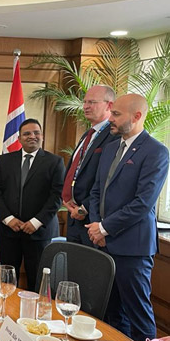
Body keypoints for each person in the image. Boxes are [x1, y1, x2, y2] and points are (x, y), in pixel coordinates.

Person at [87, 93, 169, 341]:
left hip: (132, 247)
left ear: (136, 116)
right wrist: (95, 227)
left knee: (137, 314)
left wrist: (104, 227)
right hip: (103, 243)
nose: (110, 118)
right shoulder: (110, 148)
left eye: (116, 114)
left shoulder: (156, 152)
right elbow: (96, 191)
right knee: (110, 313)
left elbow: (142, 203)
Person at [0, 119, 65, 291]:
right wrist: (8, 219)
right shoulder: (4, 160)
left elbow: (57, 196)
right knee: (7, 282)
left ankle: (34, 318)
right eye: (27, 133)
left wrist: (36, 222)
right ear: (19, 138)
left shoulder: (55, 162)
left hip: (40, 233)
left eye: (36, 133)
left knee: (38, 283)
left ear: (42, 136)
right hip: (9, 232)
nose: (32, 136)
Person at [62, 85, 118, 246]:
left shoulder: (114, 136)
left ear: (110, 105)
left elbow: (107, 178)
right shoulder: (88, 134)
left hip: (92, 219)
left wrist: (84, 208)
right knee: (74, 269)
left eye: (92, 102)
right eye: (85, 102)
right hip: (73, 217)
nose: (85, 106)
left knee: (89, 269)